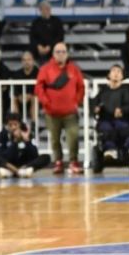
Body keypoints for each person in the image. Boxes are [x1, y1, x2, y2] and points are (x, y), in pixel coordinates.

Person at [34, 42, 85, 174]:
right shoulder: (45, 69)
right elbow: (39, 88)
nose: (61, 54)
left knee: (73, 137)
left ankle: (73, 162)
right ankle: (58, 162)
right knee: (55, 139)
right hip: (51, 112)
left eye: (63, 52)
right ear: (53, 54)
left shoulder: (74, 69)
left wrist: (76, 102)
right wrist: (46, 102)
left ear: (67, 54)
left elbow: (81, 87)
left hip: (70, 112)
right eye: (58, 52)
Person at [92, 64, 129, 165]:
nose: (116, 73)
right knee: (106, 129)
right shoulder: (103, 91)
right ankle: (110, 150)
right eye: (114, 71)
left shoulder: (125, 91)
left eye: (119, 71)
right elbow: (94, 104)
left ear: (122, 76)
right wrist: (96, 109)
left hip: (122, 119)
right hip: (106, 119)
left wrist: (122, 110)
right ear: (109, 75)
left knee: (124, 128)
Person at [0, 113, 51, 179]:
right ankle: (15, 171)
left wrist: (27, 141)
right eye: (10, 125)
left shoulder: (27, 134)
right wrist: (15, 142)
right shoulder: (1, 135)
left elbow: (34, 155)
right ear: (7, 125)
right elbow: (1, 155)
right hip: (8, 164)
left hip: (24, 165)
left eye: (15, 124)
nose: (13, 127)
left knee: (46, 157)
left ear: (20, 124)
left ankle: (20, 170)